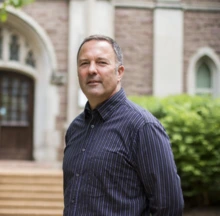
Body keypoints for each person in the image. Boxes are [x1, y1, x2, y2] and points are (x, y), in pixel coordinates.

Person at [63, 35, 184, 215]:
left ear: (119, 72)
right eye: (84, 63)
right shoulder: (75, 128)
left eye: (102, 62)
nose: (91, 70)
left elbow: (169, 207)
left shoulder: (143, 127)